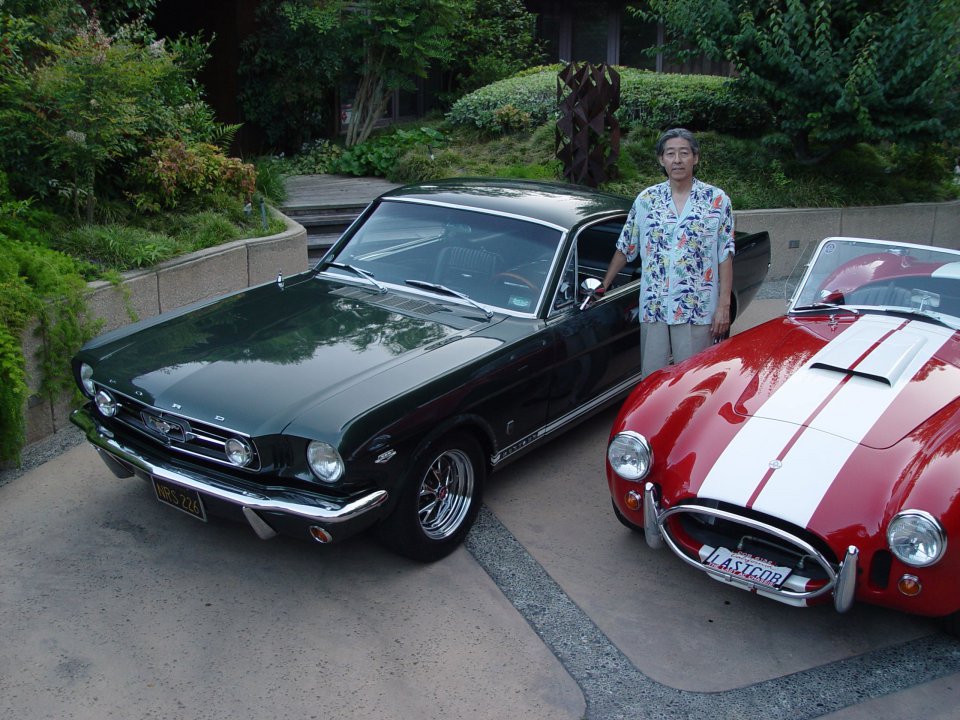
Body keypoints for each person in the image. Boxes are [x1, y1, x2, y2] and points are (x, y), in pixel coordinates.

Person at [600, 127, 734, 378]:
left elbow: (725, 254)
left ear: (695, 157)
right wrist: (602, 286)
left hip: (696, 306)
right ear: (661, 160)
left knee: (693, 379)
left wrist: (723, 306)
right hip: (655, 305)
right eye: (670, 153)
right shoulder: (646, 200)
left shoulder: (717, 200)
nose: (677, 160)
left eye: (684, 153)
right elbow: (626, 246)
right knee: (653, 380)